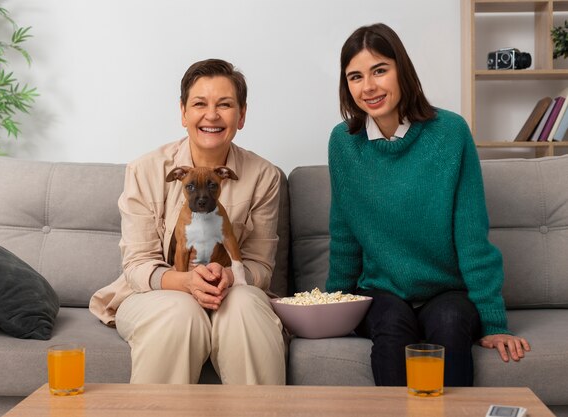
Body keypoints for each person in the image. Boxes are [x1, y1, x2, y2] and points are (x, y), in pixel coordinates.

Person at [325, 23, 531, 387]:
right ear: (347, 86)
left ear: (401, 69)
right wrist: (330, 308)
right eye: (355, 76)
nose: (368, 86)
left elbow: (471, 235)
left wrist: (495, 323)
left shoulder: (450, 132)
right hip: (380, 291)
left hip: (445, 291)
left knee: (449, 325)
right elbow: (344, 234)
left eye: (379, 70)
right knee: (391, 328)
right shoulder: (344, 143)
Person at [89, 58, 285, 385]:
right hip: (157, 292)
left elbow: (260, 267)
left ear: (242, 115)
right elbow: (137, 264)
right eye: (199, 104)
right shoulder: (145, 170)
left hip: (231, 289)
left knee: (246, 309)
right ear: (183, 113)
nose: (211, 115)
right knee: (180, 313)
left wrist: (226, 276)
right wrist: (187, 283)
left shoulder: (264, 176)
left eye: (225, 104)